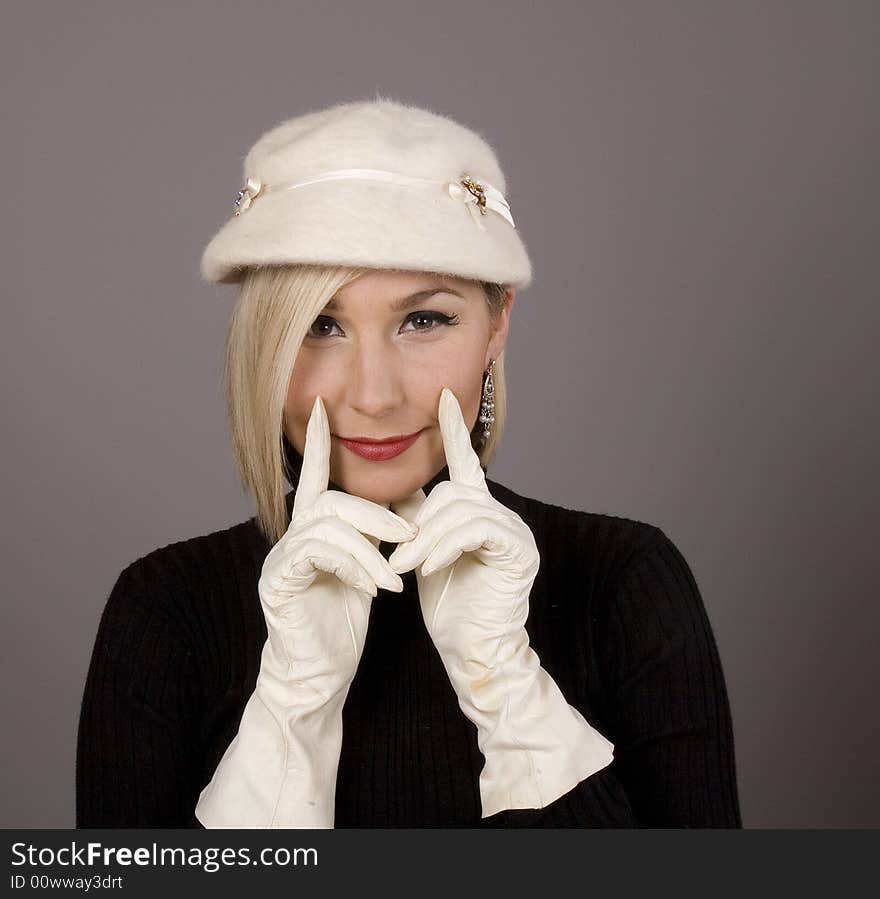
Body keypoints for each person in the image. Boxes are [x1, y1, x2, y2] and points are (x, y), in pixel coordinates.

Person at [76, 97, 742, 828]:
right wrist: (291, 712)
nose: (374, 394)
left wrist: (506, 685)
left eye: (424, 319)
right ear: (261, 344)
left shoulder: (625, 583)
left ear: (497, 325)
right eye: (321, 324)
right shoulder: (164, 611)